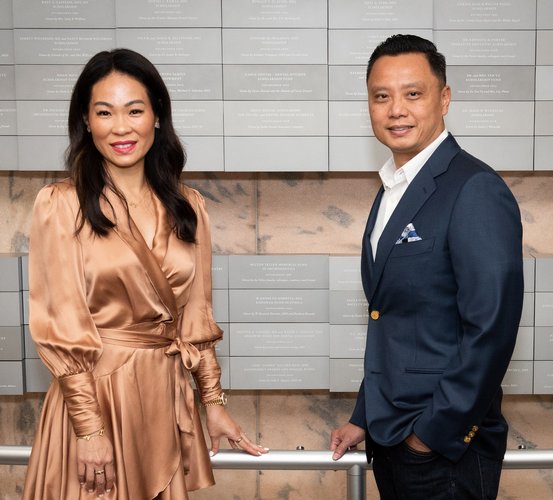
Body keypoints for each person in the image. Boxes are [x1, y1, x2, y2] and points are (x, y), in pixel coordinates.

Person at [23, 48, 267, 500]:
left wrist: (212, 402)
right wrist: (89, 429)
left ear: (156, 116)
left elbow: (195, 318)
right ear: (86, 121)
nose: (121, 127)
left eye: (135, 110)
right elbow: (59, 322)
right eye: (104, 112)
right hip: (94, 403)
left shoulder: (189, 206)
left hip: (162, 399)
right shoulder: (61, 204)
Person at [330, 34, 524, 499]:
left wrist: (431, 437)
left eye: (412, 93)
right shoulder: (393, 188)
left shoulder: (474, 188)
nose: (396, 109)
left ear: (445, 98)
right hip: (390, 438)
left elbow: (490, 329)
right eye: (382, 96)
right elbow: (397, 320)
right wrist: (364, 415)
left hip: (443, 451)